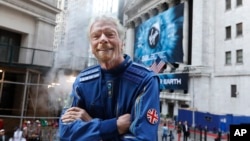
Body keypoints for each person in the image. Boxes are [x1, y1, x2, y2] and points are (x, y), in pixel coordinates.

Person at [59, 14, 160, 141]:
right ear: (91, 47)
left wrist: (89, 124)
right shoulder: (82, 82)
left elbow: (144, 138)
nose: (103, 39)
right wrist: (113, 126)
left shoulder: (145, 80)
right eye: (96, 36)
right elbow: (66, 132)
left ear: (122, 42)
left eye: (110, 34)